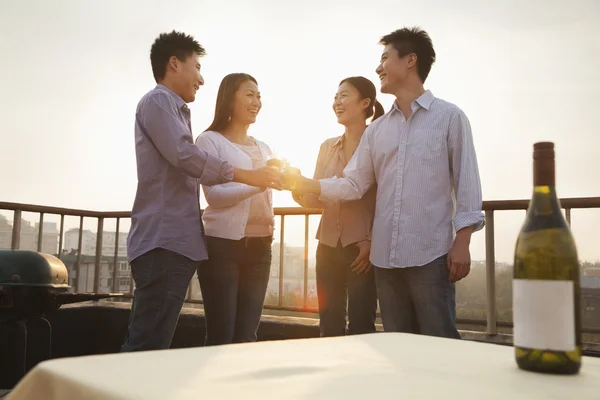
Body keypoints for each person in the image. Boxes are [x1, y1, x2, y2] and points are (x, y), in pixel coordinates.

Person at [286, 27, 484, 339]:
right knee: (398, 346)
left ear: (410, 61)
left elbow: (467, 184)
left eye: (384, 59)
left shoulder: (450, 117)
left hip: (430, 256)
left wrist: (463, 243)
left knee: (439, 344)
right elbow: (353, 184)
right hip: (385, 262)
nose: (378, 68)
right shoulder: (377, 130)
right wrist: (303, 183)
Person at [122, 32, 281, 352]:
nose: (201, 79)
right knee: (147, 345)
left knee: (153, 341)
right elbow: (184, 155)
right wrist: (247, 175)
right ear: (174, 63)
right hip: (164, 241)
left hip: (175, 242)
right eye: (196, 67)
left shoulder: (174, 109)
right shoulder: (159, 101)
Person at [292, 76, 382, 337]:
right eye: (335, 97)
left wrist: (372, 239)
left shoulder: (377, 143)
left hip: (362, 248)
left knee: (361, 325)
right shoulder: (326, 147)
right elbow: (316, 198)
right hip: (328, 245)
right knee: (328, 323)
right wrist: (296, 185)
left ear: (365, 103)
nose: (336, 102)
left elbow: (388, 198)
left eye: (344, 95)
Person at [195, 73, 275, 345]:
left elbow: (267, 186)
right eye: (250, 94)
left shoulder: (264, 147)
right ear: (230, 98)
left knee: (247, 337)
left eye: (259, 95)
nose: (257, 102)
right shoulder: (210, 141)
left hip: (261, 246)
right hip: (222, 248)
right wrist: (257, 183)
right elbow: (214, 196)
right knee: (221, 335)